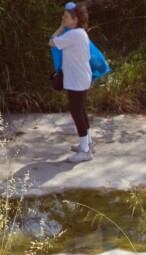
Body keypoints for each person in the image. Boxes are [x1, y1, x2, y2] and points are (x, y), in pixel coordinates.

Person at [48, 2, 94, 163]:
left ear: (75, 20)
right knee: (81, 111)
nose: (63, 18)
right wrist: (64, 25)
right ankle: (88, 142)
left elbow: (52, 42)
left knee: (76, 113)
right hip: (82, 77)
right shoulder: (81, 33)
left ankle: (85, 151)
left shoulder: (72, 35)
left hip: (76, 80)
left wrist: (61, 27)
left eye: (66, 17)